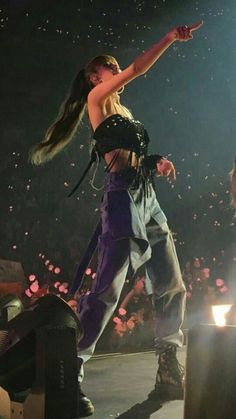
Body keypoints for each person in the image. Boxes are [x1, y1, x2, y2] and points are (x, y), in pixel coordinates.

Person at [30, 21, 203, 418]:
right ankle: (72, 368)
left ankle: (167, 364)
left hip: (147, 196)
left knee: (172, 282)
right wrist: (169, 39)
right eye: (109, 66)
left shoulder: (124, 111)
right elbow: (139, 69)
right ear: (95, 77)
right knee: (108, 288)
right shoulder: (96, 99)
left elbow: (134, 153)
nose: (116, 67)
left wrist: (156, 162)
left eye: (113, 65)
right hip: (122, 197)